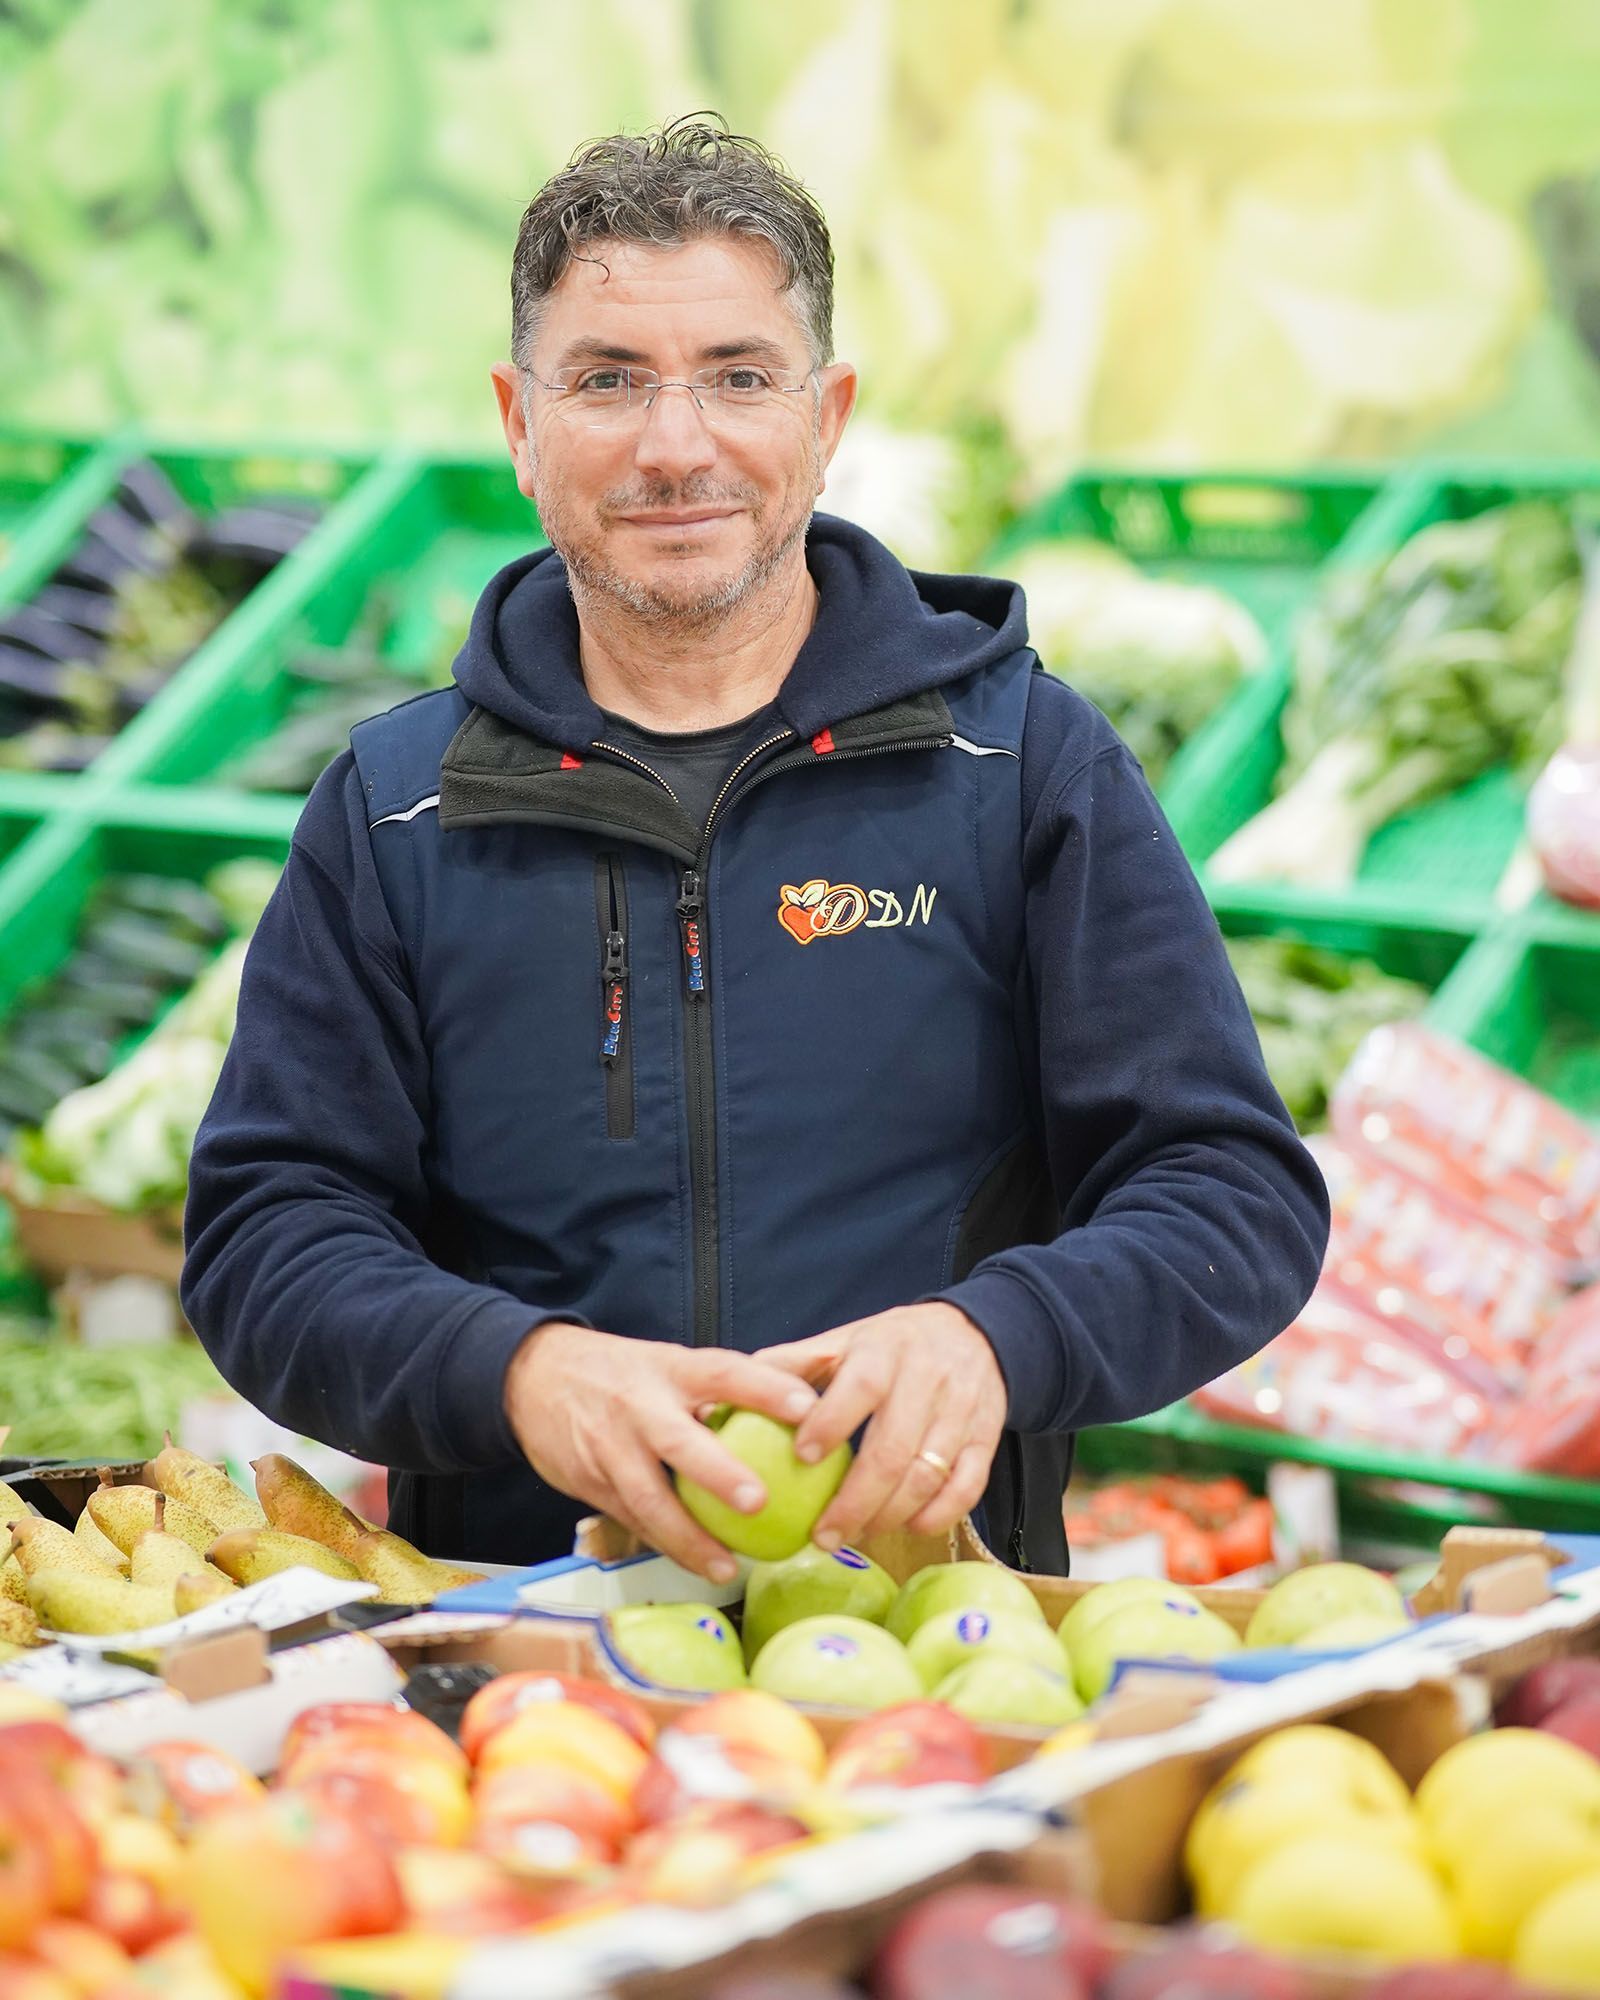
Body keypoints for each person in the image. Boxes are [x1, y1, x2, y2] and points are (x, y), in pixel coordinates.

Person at [182, 117, 1328, 1581]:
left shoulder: (1023, 763)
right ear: (518, 422)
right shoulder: (399, 805)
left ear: (827, 415)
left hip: (936, 1644)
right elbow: (268, 1240)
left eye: (739, 377)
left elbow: (1230, 1190)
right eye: (608, 381)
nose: (678, 446)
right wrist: (518, 1372)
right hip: (523, 1664)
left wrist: (998, 1335)